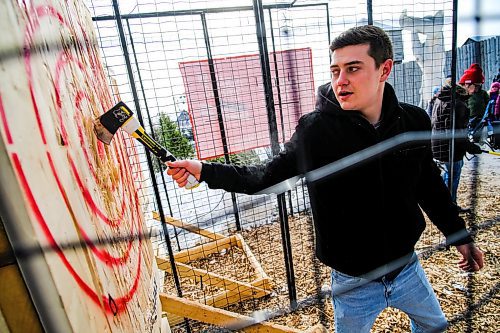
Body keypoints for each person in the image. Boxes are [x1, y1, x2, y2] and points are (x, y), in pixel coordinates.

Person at [167, 25, 484, 332]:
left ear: (384, 69)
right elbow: (263, 177)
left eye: (353, 69)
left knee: (435, 325)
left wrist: (459, 235)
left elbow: (429, 186)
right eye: (335, 71)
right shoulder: (316, 130)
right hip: (352, 281)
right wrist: (205, 170)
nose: (340, 81)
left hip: (407, 268)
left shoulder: (413, 119)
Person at [431, 83, 482, 211]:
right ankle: (449, 206)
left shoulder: (439, 99)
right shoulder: (457, 104)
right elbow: (457, 133)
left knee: (446, 176)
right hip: (451, 149)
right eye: (474, 87)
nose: (474, 91)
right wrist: (470, 147)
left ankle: (440, 202)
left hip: (438, 145)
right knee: (452, 177)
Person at [459, 63, 489, 129]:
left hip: (481, 120)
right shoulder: (463, 95)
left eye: (478, 86)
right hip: (468, 121)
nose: (476, 88)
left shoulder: (483, 93)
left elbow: (488, 104)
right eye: (475, 85)